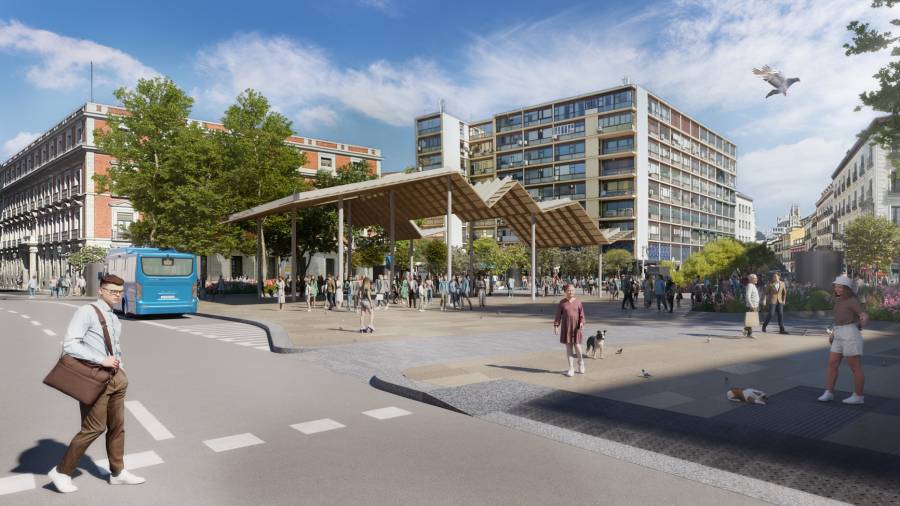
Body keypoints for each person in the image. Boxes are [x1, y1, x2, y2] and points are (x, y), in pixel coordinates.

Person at [48, 274, 146, 493]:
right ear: (100, 290)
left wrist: (121, 368)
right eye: (112, 291)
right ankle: (61, 472)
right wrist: (101, 360)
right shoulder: (86, 312)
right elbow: (71, 344)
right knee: (94, 427)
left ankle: (118, 472)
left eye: (120, 292)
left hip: (116, 378)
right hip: (95, 378)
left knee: (117, 428)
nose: (117, 295)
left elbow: (114, 346)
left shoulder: (113, 316)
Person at [818, 275, 868, 405]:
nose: (837, 289)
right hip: (838, 332)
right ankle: (829, 392)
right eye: (836, 286)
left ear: (847, 288)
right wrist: (833, 332)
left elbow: (862, 314)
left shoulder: (852, 300)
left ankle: (858, 396)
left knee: (855, 367)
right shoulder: (838, 300)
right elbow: (838, 319)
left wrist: (863, 320)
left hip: (850, 333)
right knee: (832, 363)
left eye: (840, 287)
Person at [554, 284, 586, 377]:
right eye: (568, 290)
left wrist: (581, 323)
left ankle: (581, 362)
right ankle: (571, 368)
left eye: (572, 290)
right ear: (565, 292)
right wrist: (556, 326)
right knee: (569, 348)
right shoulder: (562, 303)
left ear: (574, 291)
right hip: (566, 327)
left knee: (578, 347)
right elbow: (558, 316)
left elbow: (582, 315)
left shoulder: (578, 302)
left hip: (576, 327)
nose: (570, 292)